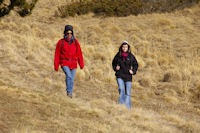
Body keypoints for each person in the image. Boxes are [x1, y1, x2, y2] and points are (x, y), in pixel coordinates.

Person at [54, 25, 84, 98]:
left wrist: (81, 64)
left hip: (73, 63)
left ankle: (70, 93)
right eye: (67, 33)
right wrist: (56, 65)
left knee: (72, 79)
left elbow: (79, 53)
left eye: (71, 33)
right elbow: (57, 54)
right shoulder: (60, 42)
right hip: (64, 63)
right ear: (65, 33)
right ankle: (69, 92)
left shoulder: (76, 42)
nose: (69, 35)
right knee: (69, 76)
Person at [112, 41, 138, 109]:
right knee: (121, 89)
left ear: (128, 48)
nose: (124, 48)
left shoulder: (131, 56)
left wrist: (133, 71)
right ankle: (121, 106)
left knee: (128, 93)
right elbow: (113, 63)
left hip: (128, 77)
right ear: (121, 47)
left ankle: (128, 109)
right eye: (123, 47)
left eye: (126, 47)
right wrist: (115, 68)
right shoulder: (118, 55)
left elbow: (136, 64)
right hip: (119, 75)